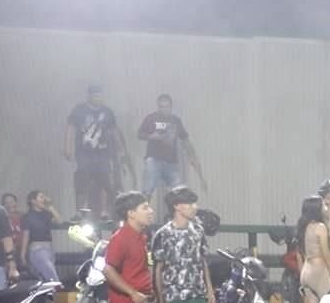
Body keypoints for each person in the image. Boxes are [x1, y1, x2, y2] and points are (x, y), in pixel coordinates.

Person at [65, 84, 132, 220]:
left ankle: (104, 212)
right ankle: (79, 211)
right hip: (84, 153)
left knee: (105, 182)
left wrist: (121, 150)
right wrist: (67, 147)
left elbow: (114, 131)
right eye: (96, 95)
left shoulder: (107, 112)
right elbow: (70, 128)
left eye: (100, 95)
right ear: (89, 96)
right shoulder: (79, 110)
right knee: (82, 182)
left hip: (103, 153)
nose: (98, 98)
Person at [137, 93, 208, 208]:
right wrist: (151, 136)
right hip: (154, 159)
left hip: (171, 162)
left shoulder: (176, 120)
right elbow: (139, 134)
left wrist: (193, 158)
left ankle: (178, 221)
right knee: (147, 190)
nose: (164, 109)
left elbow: (185, 140)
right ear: (158, 107)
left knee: (178, 192)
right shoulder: (151, 118)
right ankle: (142, 217)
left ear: (170, 107)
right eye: (161, 106)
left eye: (166, 106)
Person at [19, 190, 62, 283]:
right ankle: (58, 287)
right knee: (51, 275)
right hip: (37, 249)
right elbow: (26, 236)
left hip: (49, 248)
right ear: (33, 201)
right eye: (41, 197)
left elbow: (59, 221)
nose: (44, 199)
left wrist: (50, 206)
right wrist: (22, 254)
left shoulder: (46, 214)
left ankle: (49, 295)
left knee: (44, 278)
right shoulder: (27, 216)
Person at [1, 193, 22, 265]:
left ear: (16, 203)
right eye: (6, 203)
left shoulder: (23, 216)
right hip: (7, 250)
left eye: (11, 202)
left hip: (22, 249)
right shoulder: (1, 217)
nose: (9, 204)